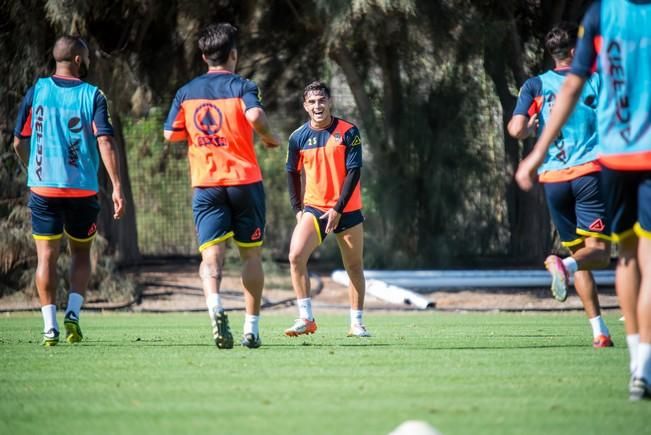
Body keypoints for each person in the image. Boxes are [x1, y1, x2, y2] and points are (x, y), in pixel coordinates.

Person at [515, 0, 651, 400]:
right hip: (601, 167)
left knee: (622, 256)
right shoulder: (595, 63)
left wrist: (535, 155)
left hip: (589, 168)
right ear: (572, 49)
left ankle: (613, 342)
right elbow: (582, 85)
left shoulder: (600, 16)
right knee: (626, 257)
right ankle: (642, 362)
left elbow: (518, 125)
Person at [164, 23, 280, 349]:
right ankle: (252, 329)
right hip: (244, 181)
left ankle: (215, 308)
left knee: (211, 258)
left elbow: (169, 135)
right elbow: (256, 117)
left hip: (206, 184)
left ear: (204, 56)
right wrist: (270, 139)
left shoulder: (186, 92)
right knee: (250, 256)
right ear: (234, 54)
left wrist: (199, 136)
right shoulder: (242, 85)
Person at [12, 35, 125, 346]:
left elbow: (18, 142)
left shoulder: (37, 91)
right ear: (78, 60)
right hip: (81, 191)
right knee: (80, 253)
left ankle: (49, 328)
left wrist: (32, 171)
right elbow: (104, 140)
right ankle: (73, 313)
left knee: (45, 257)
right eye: (86, 58)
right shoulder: (93, 95)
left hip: (43, 190)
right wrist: (116, 186)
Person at [508, 23, 613, 348]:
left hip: (553, 180)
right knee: (598, 254)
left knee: (580, 252)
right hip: (588, 174)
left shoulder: (534, 85)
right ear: (575, 50)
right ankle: (563, 265)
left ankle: (600, 331)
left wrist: (530, 129)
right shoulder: (593, 79)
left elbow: (515, 130)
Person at [284, 81, 370, 338]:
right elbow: (291, 172)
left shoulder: (349, 132)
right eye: (312, 102)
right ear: (305, 106)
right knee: (296, 256)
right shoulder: (297, 137)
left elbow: (354, 172)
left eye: (321, 100)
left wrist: (338, 208)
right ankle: (306, 318)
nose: (317, 106)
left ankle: (356, 323)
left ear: (329, 102)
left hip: (348, 208)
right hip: (315, 208)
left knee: (354, 266)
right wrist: (298, 209)